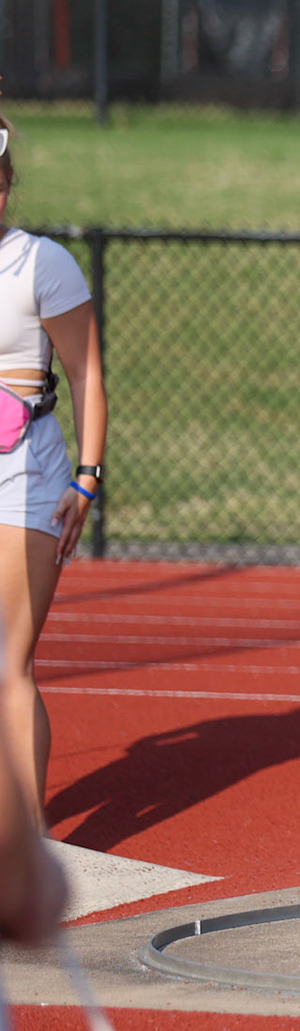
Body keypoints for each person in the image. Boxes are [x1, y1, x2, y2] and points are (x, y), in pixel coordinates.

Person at [0, 116, 107, 828]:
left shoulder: (42, 264)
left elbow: (87, 374)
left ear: (5, 188)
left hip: (25, 474)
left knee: (7, 660)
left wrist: (87, 478)